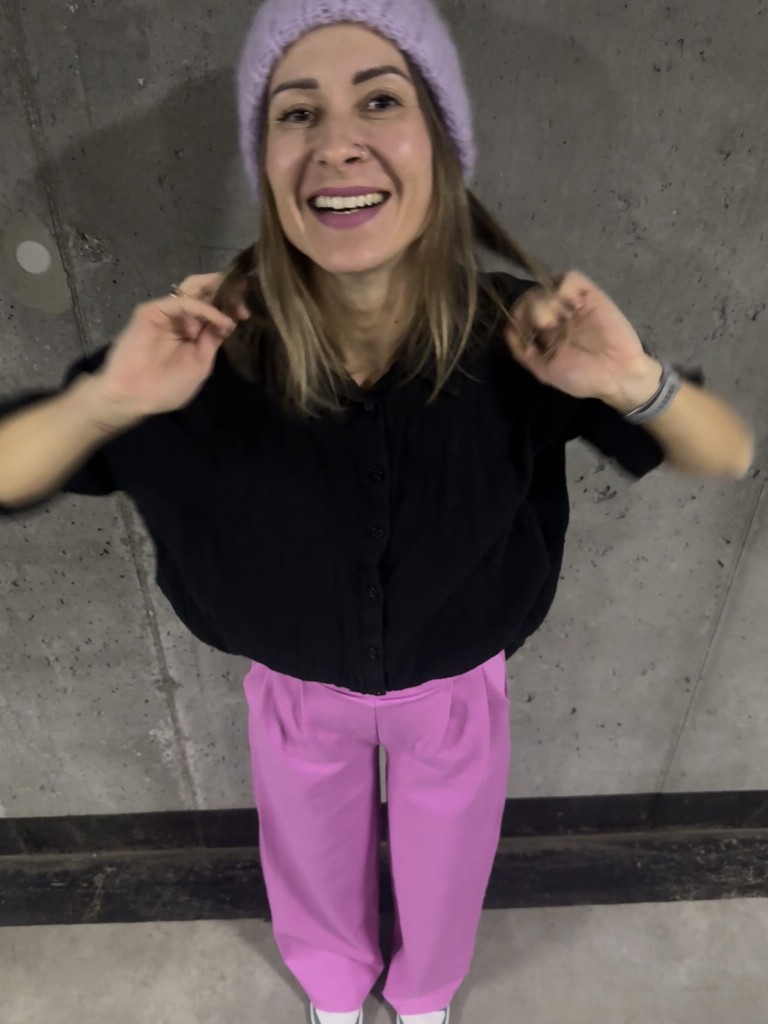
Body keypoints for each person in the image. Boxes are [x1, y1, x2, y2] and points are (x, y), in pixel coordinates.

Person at [0, 0, 755, 1022]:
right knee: (307, 851)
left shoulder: (525, 336)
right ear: (266, 161)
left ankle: (427, 992)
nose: (338, 141)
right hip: (297, 686)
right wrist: (109, 400)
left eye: (381, 101)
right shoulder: (198, 345)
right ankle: (333, 991)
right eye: (296, 112)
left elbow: (728, 450)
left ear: (441, 144)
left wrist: (632, 381)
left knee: (450, 854)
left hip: (457, 685)